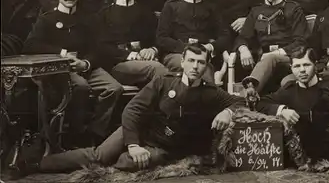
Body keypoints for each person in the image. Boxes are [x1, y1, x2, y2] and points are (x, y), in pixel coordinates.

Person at [32, 44, 246, 173]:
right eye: (191, 61)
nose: (195, 67)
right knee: (99, 156)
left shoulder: (211, 92)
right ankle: (39, 163)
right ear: (182, 62)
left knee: (125, 163)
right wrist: (133, 143)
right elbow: (133, 110)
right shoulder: (163, 82)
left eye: (201, 62)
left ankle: (128, 155)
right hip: (139, 129)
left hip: (164, 147)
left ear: (206, 66)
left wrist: (226, 112)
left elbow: (241, 102)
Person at [23, 0, 123, 147]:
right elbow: (30, 45)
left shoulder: (89, 20)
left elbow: (99, 48)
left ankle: (95, 134)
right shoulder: (47, 19)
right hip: (61, 69)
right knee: (81, 87)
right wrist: (61, 53)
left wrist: (86, 63)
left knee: (114, 88)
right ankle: (75, 136)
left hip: (86, 66)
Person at [235, 0, 308, 95]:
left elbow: (301, 41)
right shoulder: (256, 11)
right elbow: (243, 37)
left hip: (289, 60)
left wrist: (275, 54)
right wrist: (243, 49)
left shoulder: (293, 8)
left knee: (271, 58)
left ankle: (248, 94)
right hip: (262, 62)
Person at [156, 0, 232, 83]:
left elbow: (225, 36)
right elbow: (162, 38)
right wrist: (187, 50)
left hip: (205, 56)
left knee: (202, 65)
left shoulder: (212, 7)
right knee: (196, 66)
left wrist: (210, 47)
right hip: (177, 55)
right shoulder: (171, 6)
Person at [95, 0, 168, 88]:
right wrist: (130, 55)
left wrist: (152, 49)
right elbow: (102, 47)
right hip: (119, 64)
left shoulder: (146, 12)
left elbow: (158, 38)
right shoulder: (103, 15)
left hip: (146, 61)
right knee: (158, 69)